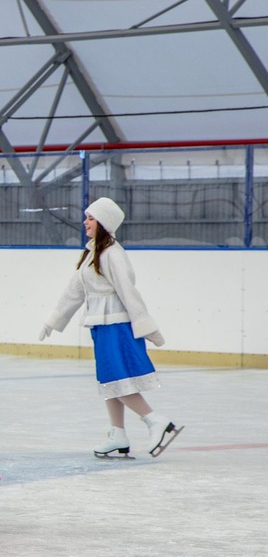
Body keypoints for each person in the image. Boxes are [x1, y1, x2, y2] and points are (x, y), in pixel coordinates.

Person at [39, 196, 183, 458]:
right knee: (108, 382)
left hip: (117, 325)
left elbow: (129, 292)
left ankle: (154, 420)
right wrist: (54, 319)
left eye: (91, 218)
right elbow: (74, 291)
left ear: (104, 222)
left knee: (116, 380)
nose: (85, 222)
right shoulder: (92, 252)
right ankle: (118, 433)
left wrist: (147, 327)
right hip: (100, 325)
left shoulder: (113, 254)